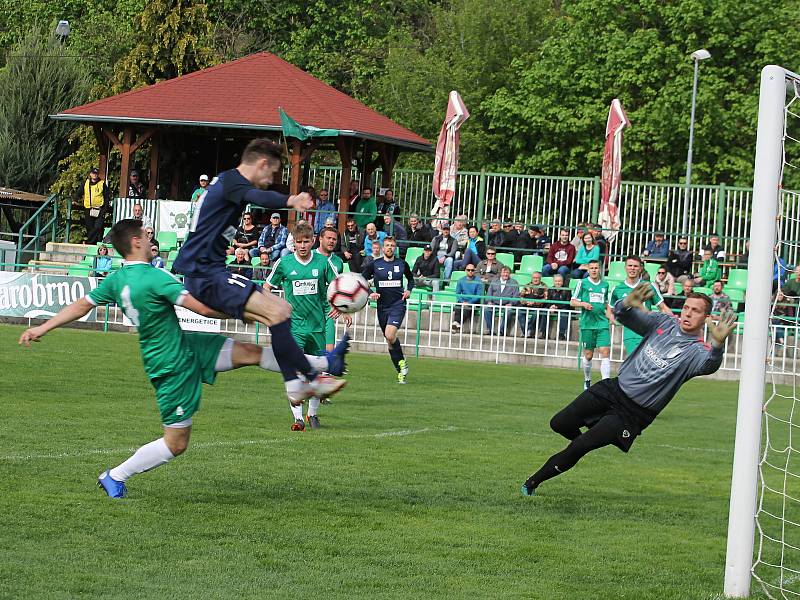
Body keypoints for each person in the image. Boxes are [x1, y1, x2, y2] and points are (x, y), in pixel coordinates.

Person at [18, 220, 343, 499]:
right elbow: (200, 308)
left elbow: (81, 306)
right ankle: (115, 476)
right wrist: (251, 310)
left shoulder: (117, 279)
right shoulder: (154, 277)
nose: (151, 240)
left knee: (253, 353)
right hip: (170, 365)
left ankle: (321, 369)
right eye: (146, 236)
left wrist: (42, 327)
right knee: (176, 443)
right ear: (135, 242)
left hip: (185, 345)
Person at [173, 138, 348, 406]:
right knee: (278, 311)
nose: (269, 180)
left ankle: (298, 383)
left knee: (280, 310)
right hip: (206, 273)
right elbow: (259, 196)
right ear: (263, 163)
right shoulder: (233, 183)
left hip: (207, 273)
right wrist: (291, 200)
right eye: (272, 172)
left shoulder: (227, 184)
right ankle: (310, 378)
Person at [521, 285, 737, 496]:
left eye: (696, 311)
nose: (688, 313)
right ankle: (594, 435)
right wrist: (626, 303)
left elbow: (709, 365)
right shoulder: (665, 322)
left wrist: (718, 345)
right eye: (687, 307)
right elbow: (622, 315)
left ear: (707, 318)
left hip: (632, 413)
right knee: (559, 423)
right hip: (612, 389)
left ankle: (532, 483)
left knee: (578, 448)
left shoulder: (698, 350)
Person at [267, 222, 347, 430]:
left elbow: (339, 286)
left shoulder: (322, 263)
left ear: (313, 241)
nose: (302, 246)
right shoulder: (284, 263)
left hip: (318, 325)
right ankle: (298, 418)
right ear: (293, 243)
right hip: (293, 327)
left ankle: (312, 415)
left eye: (306, 242)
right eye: (298, 242)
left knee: (316, 371)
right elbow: (267, 287)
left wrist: (340, 307)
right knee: (296, 369)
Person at [362, 237, 414, 384]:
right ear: (383, 248)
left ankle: (402, 362)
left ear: (395, 248)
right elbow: (362, 280)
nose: (389, 248)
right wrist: (370, 292)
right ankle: (401, 371)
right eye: (387, 245)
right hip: (382, 306)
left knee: (390, 335)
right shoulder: (375, 264)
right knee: (389, 341)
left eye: (392, 245)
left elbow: (411, 279)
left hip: (398, 304)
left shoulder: (401, 264)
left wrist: (409, 290)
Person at [608, 255, 672, 355]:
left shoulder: (648, 286)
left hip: (649, 332)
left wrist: (673, 322)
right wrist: (615, 320)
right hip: (631, 334)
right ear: (625, 267)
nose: (632, 268)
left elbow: (663, 307)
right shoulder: (617, 289)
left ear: (640, 268)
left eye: (635, 266)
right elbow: (610, 310)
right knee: (638, 362)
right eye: (630, 265)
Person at [571, 260, 611, 390]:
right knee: (588, 355)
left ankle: (606, 384)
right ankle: (587, 379)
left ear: (600, 270)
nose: (594, 270)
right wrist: (583, 304)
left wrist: (611, 315)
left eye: (596, 268)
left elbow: (606, 303)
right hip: (588, 324)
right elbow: (572, 301)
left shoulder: (605, 285)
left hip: (602, 324)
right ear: (588, 270)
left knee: (605, 351)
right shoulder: (582, 283)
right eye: (592, 268)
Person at [316, 226, 348, 352]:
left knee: (329, 346)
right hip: (310, 307)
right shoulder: (311, 256)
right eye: (328, 238)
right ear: (320, 239)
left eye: (334, 239)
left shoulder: (338, 262)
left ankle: (326, 369)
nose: (331, 241)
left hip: (328, 307)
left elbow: (339, 286)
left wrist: (344, 309)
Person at [483, 266, 520, 335]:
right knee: (486, 309)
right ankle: (491, 330)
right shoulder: (494, 281)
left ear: (510, 274)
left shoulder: (514, 282)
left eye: (507, 273)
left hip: (507, 304)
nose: (505, 274)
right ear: (500, 273)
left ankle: (501, 331)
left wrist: (511, 303)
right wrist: (489, 301)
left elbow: (516, 296)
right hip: (494, 303)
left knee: (509, 312)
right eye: (504, 272)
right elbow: (489, 293)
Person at [81, 167, 110, 244]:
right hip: (88, 208)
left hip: (99, 209)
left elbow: (107, 197)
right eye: (93, 173)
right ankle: (93, 242)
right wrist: (75, 199)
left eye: (96, 173)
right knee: (89, 228)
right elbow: (79, 192)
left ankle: (88, 242)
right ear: (90, 174)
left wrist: (105, 209)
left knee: (98, 227)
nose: (95, 175)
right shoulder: (85, 183)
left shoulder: (102, 184)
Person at [451, 265, 483, 333]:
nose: (470, 271)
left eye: (472, 270)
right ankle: (457, 324)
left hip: (474, 302)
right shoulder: (461, 280)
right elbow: (458, 293)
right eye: (468, 270)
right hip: (463, 300)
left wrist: (470, 302)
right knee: (457, 307)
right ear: (465, 270)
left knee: (467, 309)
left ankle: (456, 323)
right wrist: (462, 301)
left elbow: (478, 295)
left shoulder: (479, 281)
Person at [519, 271, 549, 338]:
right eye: (534, 278)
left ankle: (528, 330)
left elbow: (546, 298)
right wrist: (526, 302)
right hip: (526, 305)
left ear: (540, 278)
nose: (535, 279)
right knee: (519, 312)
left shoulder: (544, 286)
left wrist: (534, 302)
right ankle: (525, 331)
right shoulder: (527, 285)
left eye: (537, 278)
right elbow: (520, 296)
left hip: (537, 306)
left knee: (536, 313)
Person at [547, 273, 572, 340]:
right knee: (544, 312)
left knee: (564, 313)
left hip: (564, 309)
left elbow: (567, 303)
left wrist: (556, 307)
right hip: (553, 308)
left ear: (562, 282)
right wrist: (551, 306)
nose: (558, 283)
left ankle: (561, 334)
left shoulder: (567, 290)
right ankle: (543, 333)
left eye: (559, 281)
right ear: (553, 282)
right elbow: (547, 302)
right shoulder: (550, 290)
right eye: (556, 281)